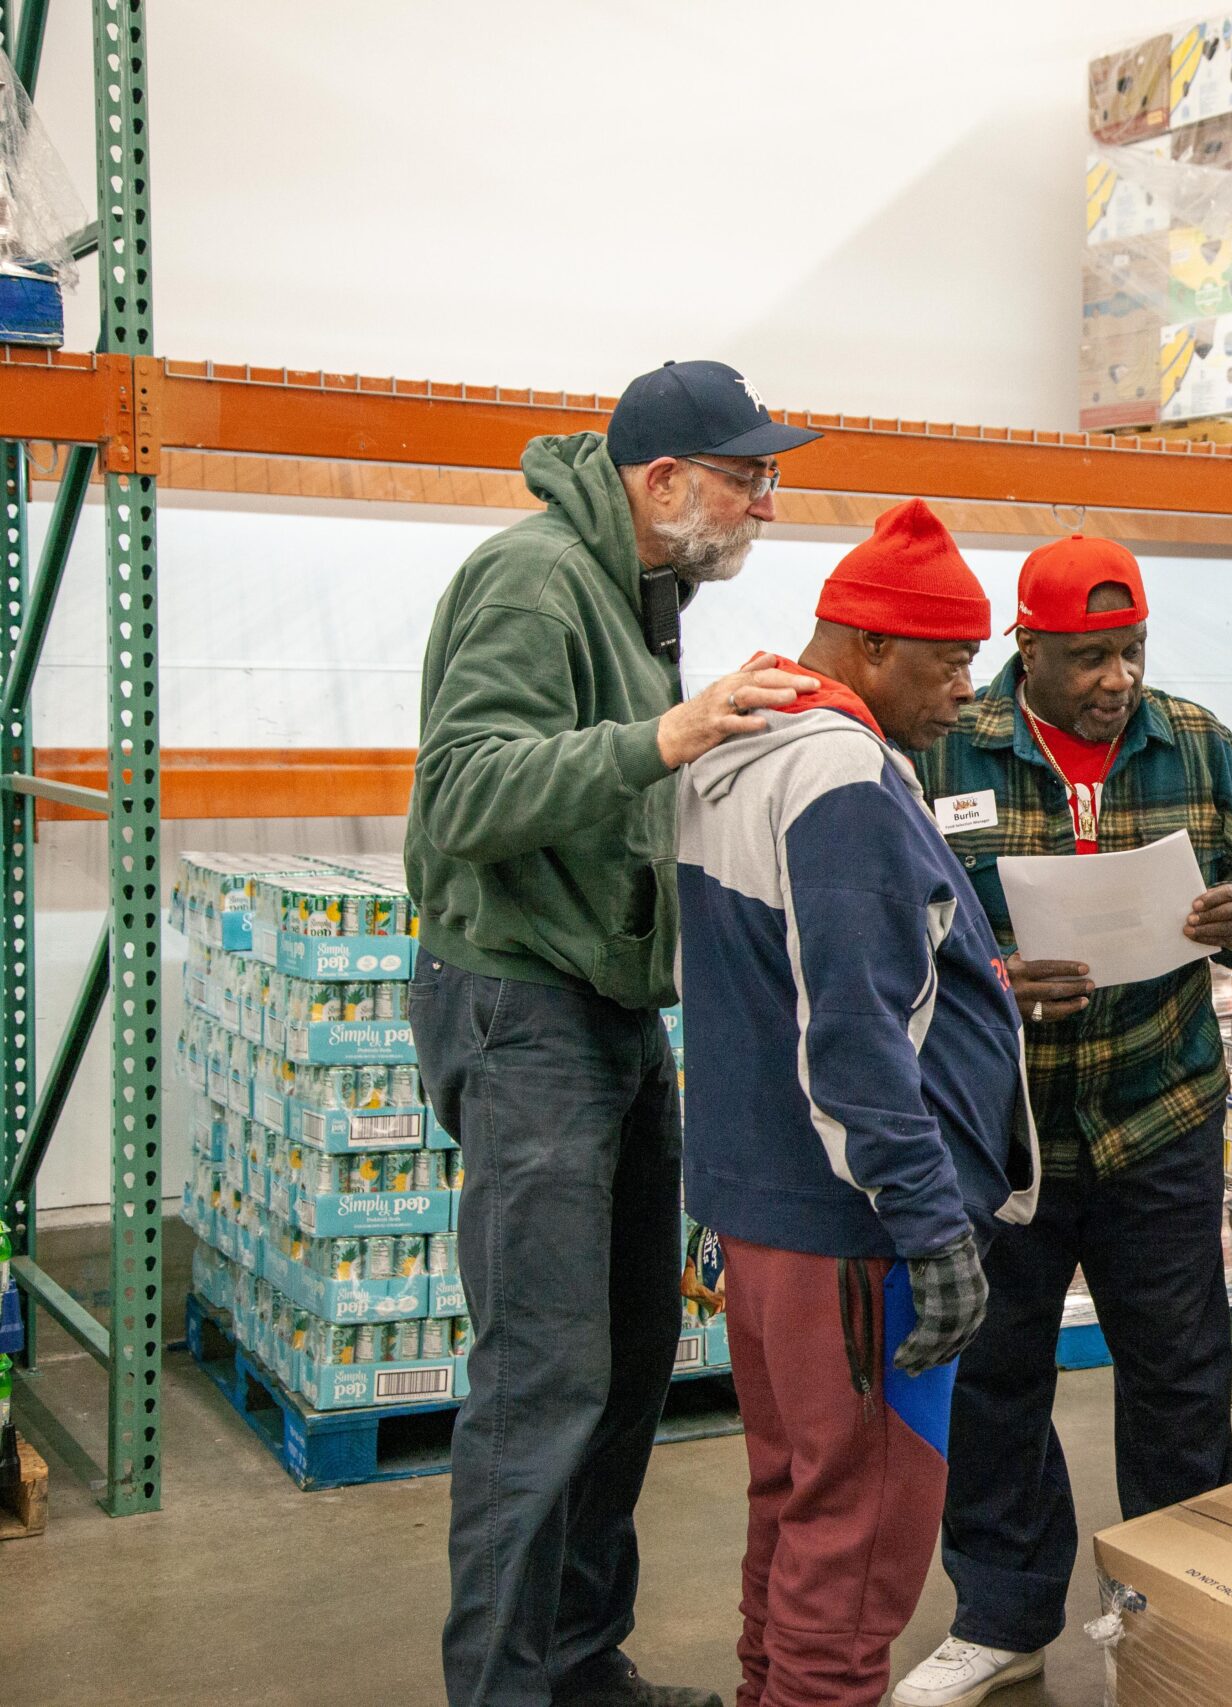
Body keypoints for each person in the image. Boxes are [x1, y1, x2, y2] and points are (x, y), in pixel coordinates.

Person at [407, 359, 823, 1707]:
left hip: (609, 1010)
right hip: (526, 1008)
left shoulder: (640, 591)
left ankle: (580, 1664)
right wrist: (667, 734)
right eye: (745, 475)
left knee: (633, 1354)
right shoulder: (535, 578)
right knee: (546, 1377)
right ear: (663, 481)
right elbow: (463, 791)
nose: (765, 501)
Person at [891, 536, 1232, 1707]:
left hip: (1156, 1115)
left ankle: (1171, 1613)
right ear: (1029, 649)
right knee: (994, 1378)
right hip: (1001, 1132)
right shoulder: (947, 745)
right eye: (1087, 657)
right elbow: (894, 913)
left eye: (1129, 650)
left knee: (1177, 1377)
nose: (1116, 678)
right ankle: (1003, 1616)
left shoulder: (1200, 746)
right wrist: (990, 970)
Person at [676, 498, 1041, 1707]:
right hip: (857, 1231)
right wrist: (929, 1223)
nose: (965, 699)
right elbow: (853, 1031)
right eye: (946, 667)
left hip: (763, 1201)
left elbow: (776, 981)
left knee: (795, 1496)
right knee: (867, 1527)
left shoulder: (742, 742)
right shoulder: (837, 773)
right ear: (872, 648)